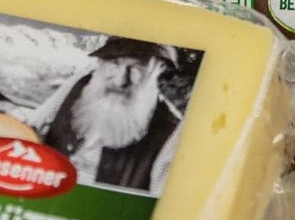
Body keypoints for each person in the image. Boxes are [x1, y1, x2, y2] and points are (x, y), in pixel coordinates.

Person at [12, 38, 184, 193]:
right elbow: (32, 126)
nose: (120, 80)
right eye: (114, 64)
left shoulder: (171, 134)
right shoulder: (80, 85)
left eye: (136, 69)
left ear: (158, 71)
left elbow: (160, 208)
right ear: (100, 63)